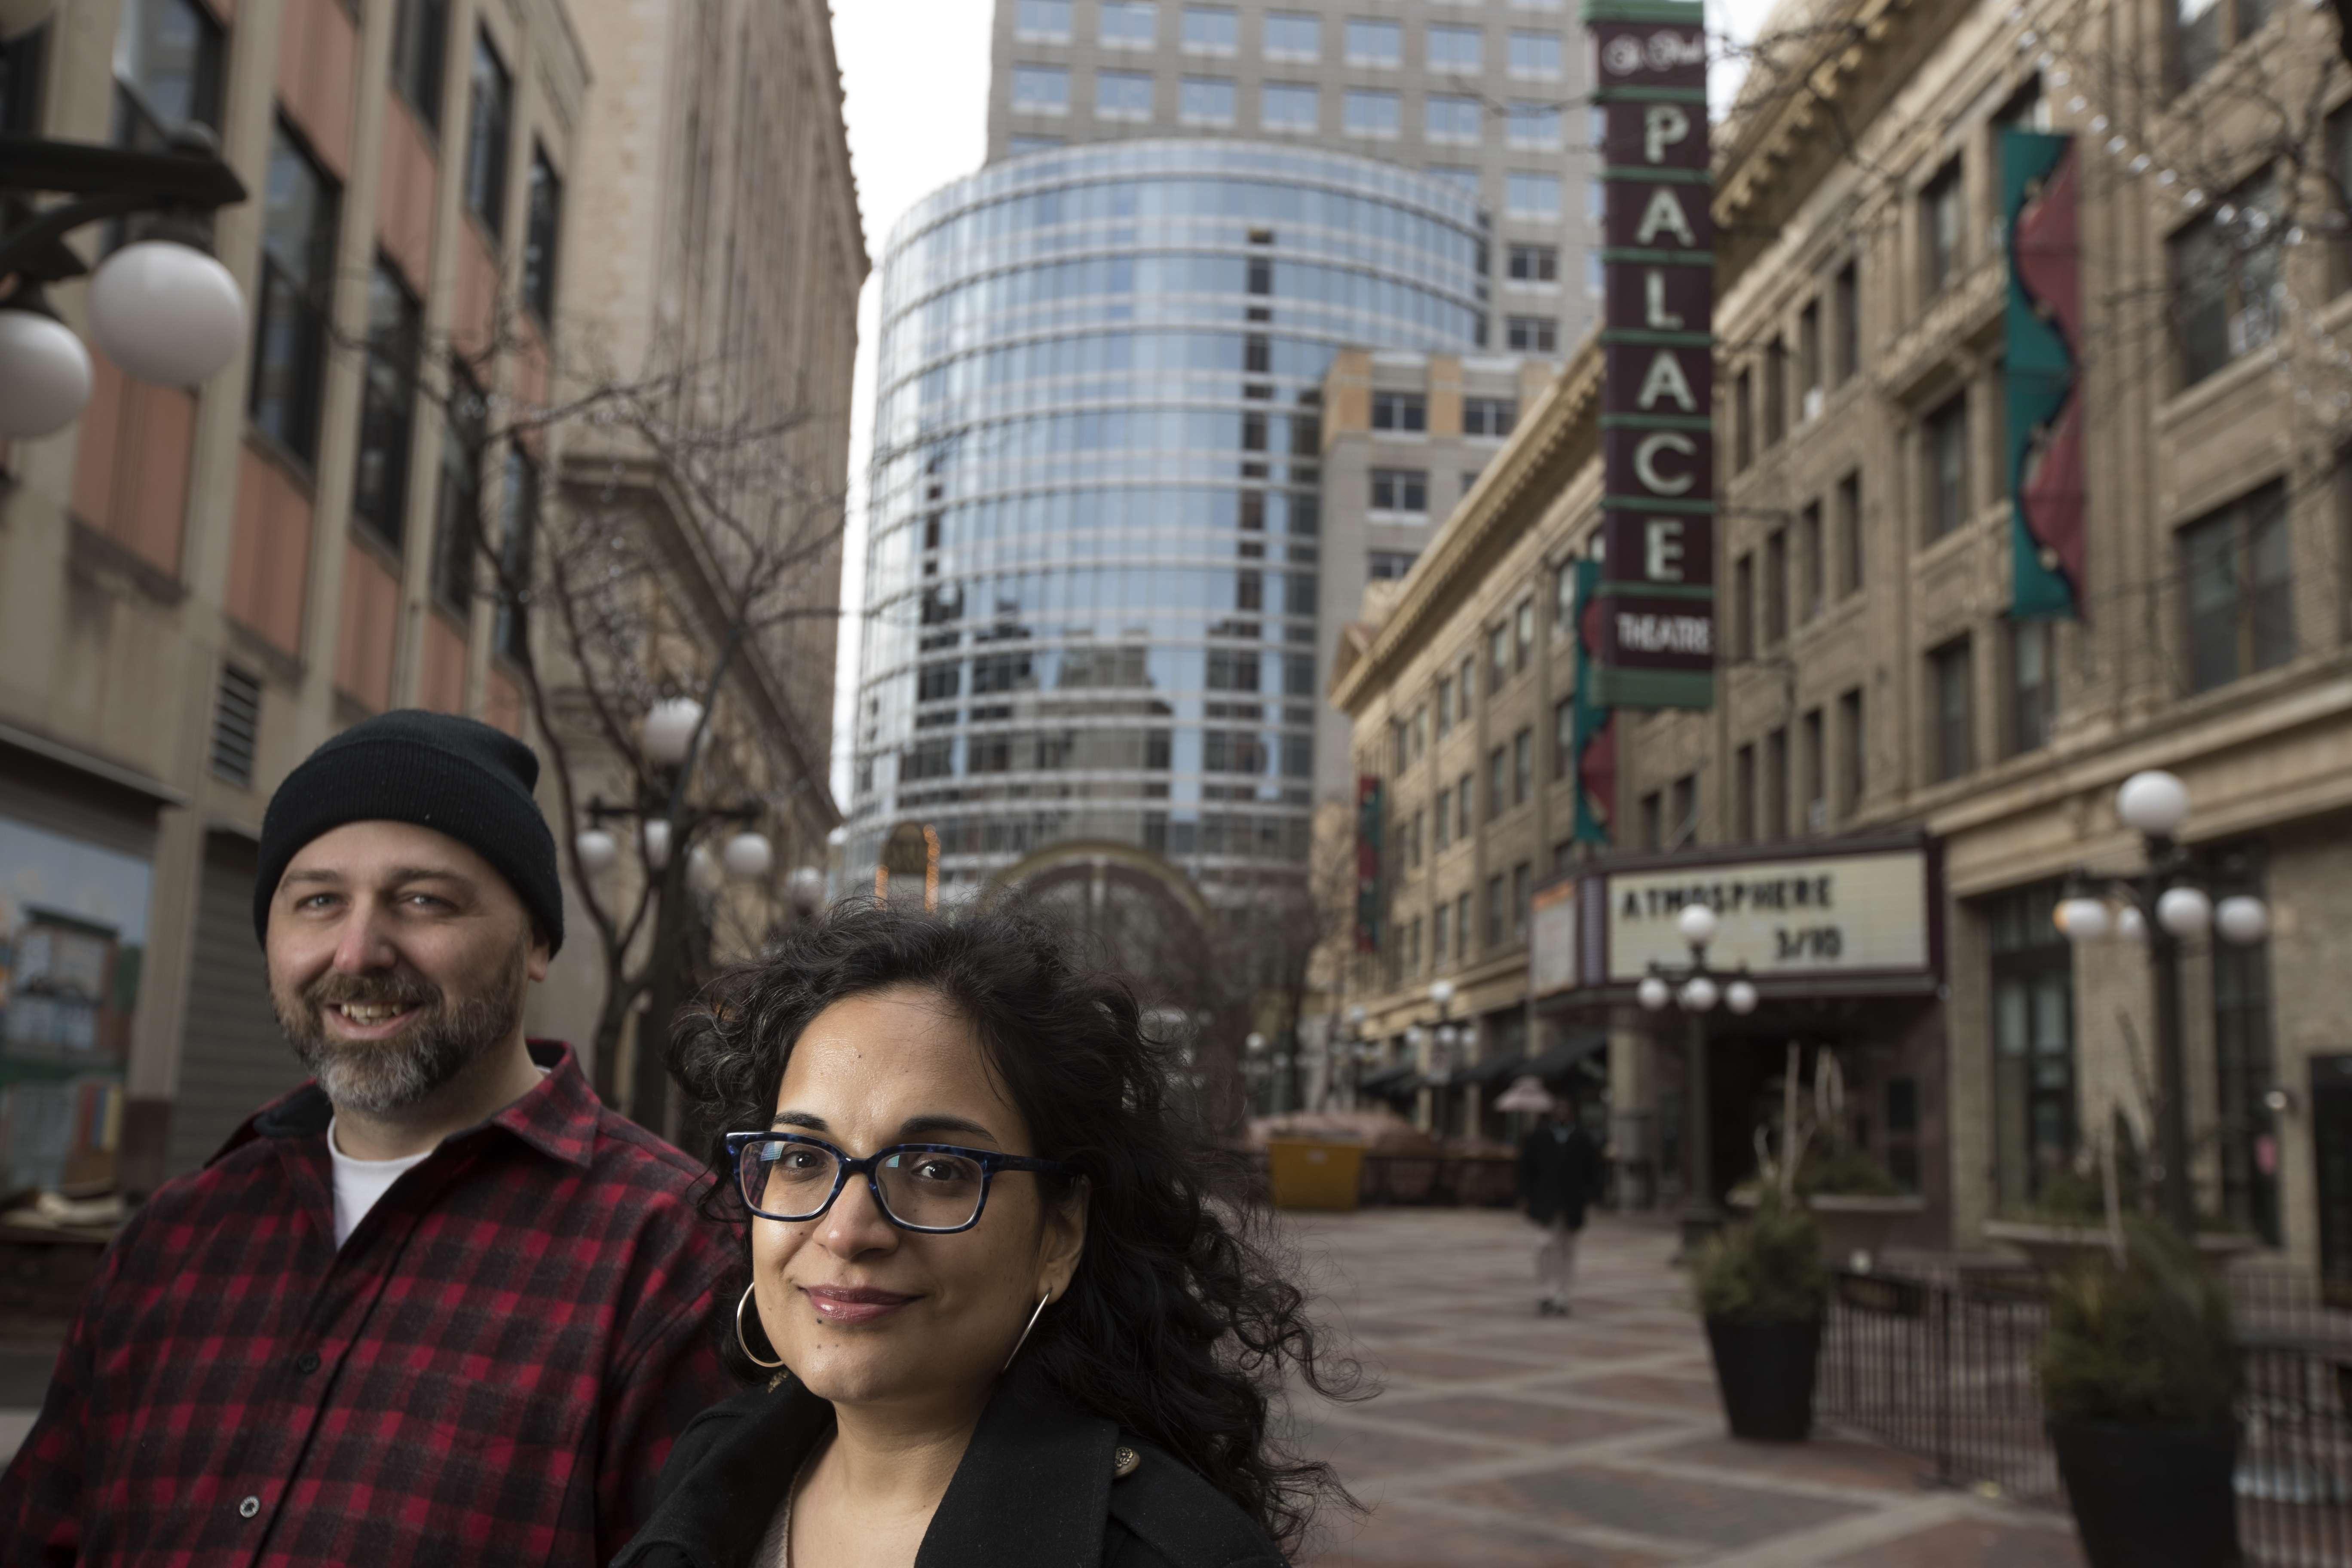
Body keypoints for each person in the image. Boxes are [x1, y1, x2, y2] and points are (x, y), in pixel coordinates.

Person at [0, 710, 738, 1566]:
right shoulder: (169, 1247)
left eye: (422, 900)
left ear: (537, 939)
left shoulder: (677, 1259)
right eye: (318, 902)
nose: (358, 951)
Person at [615, 902, 1356, 1568]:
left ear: (1060, 1232)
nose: (846, 1229)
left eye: (937, 1168)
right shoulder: (716, 1462)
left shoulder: (1181, 1554)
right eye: (804, 1158)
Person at [1518, 1093, 1605, 1317]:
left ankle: (1562, 1295)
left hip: (1572, 1204)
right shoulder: (1539, 1136)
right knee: (1544, 1245)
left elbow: (1593, 1171)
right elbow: (1526, 1169)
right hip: (1544, 1203)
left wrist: (1590, 1197)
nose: (1562, 1113)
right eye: (1559, 1108)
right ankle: (1545, 1293)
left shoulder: (1582, 1138)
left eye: (1566, 1108)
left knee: (1568, 1250)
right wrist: (1526, 1197)